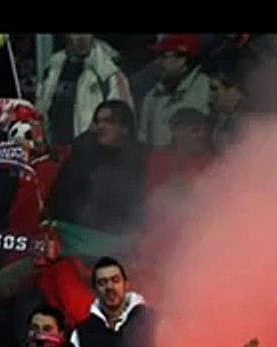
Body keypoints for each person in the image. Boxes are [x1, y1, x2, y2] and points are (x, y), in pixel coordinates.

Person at [48, 100, 148, 234]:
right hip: (76, 233)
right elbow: (61, 200)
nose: (101, 126)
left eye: (109, 122)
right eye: (98, 122)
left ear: (125, 128)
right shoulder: (82, 153)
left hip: (120, 236)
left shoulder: (140, 157)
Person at [70, 257, 157, 347]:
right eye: (102, 283)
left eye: (115, 280)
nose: (109, 287)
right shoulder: (81, 334)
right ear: (95, 289)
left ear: (126, 284)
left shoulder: (153, 321)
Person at [35, 34, 134, 150]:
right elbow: (40, 113)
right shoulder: (53, 67)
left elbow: (122, 122)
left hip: (94, 157)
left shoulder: (108, 71)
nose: (81, 38)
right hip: (56, 155)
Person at [139, 34, 211, 148]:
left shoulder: (208, 89)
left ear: (182, 60)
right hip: (160, 163)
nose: (158, 62)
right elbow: (143, 141)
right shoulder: (152, 96)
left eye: (163, 56)